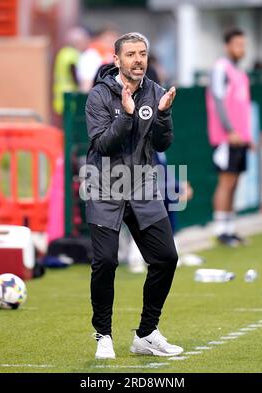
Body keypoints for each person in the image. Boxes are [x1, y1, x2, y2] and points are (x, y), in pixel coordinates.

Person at [85, 32, 183, 359]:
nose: (138, 59)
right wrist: (126, 115)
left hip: (142, 185)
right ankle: (103, 336)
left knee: (166, 257)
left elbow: (162, 144)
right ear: (117, 60)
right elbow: (102, 145)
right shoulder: (99, 96)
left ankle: (146, 333)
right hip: (105, 186)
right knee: (105, 262)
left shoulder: (155, 92)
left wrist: (164, 113)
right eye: (130, 54)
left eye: (142, 53)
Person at [206, 28, 252, 247]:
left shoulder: (240, 73)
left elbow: (242, 108)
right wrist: (230, 131)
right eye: (237, 45)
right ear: (227, 46)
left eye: (243, 45)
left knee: (235, 182)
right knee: (226, 181)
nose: (240, 49)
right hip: (225, 138)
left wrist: (246, 135)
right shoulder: (220, 68)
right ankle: (220, 230)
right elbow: (218, 100)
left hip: (240, 138)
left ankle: (230, 228)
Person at [52, 27, 89, 123]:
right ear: (78, 42)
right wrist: (81, 87)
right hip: (70, 95)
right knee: (70, 125)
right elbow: (73, 72)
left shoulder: (63, 52)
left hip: (60, 94)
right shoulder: (72, 54)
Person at [77, 26, 119, 93]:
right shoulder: (90, 55)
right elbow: (86, 83)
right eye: (108, 40)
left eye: (114, 39)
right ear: (99, 39)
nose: (111, 43)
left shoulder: (115, 56)